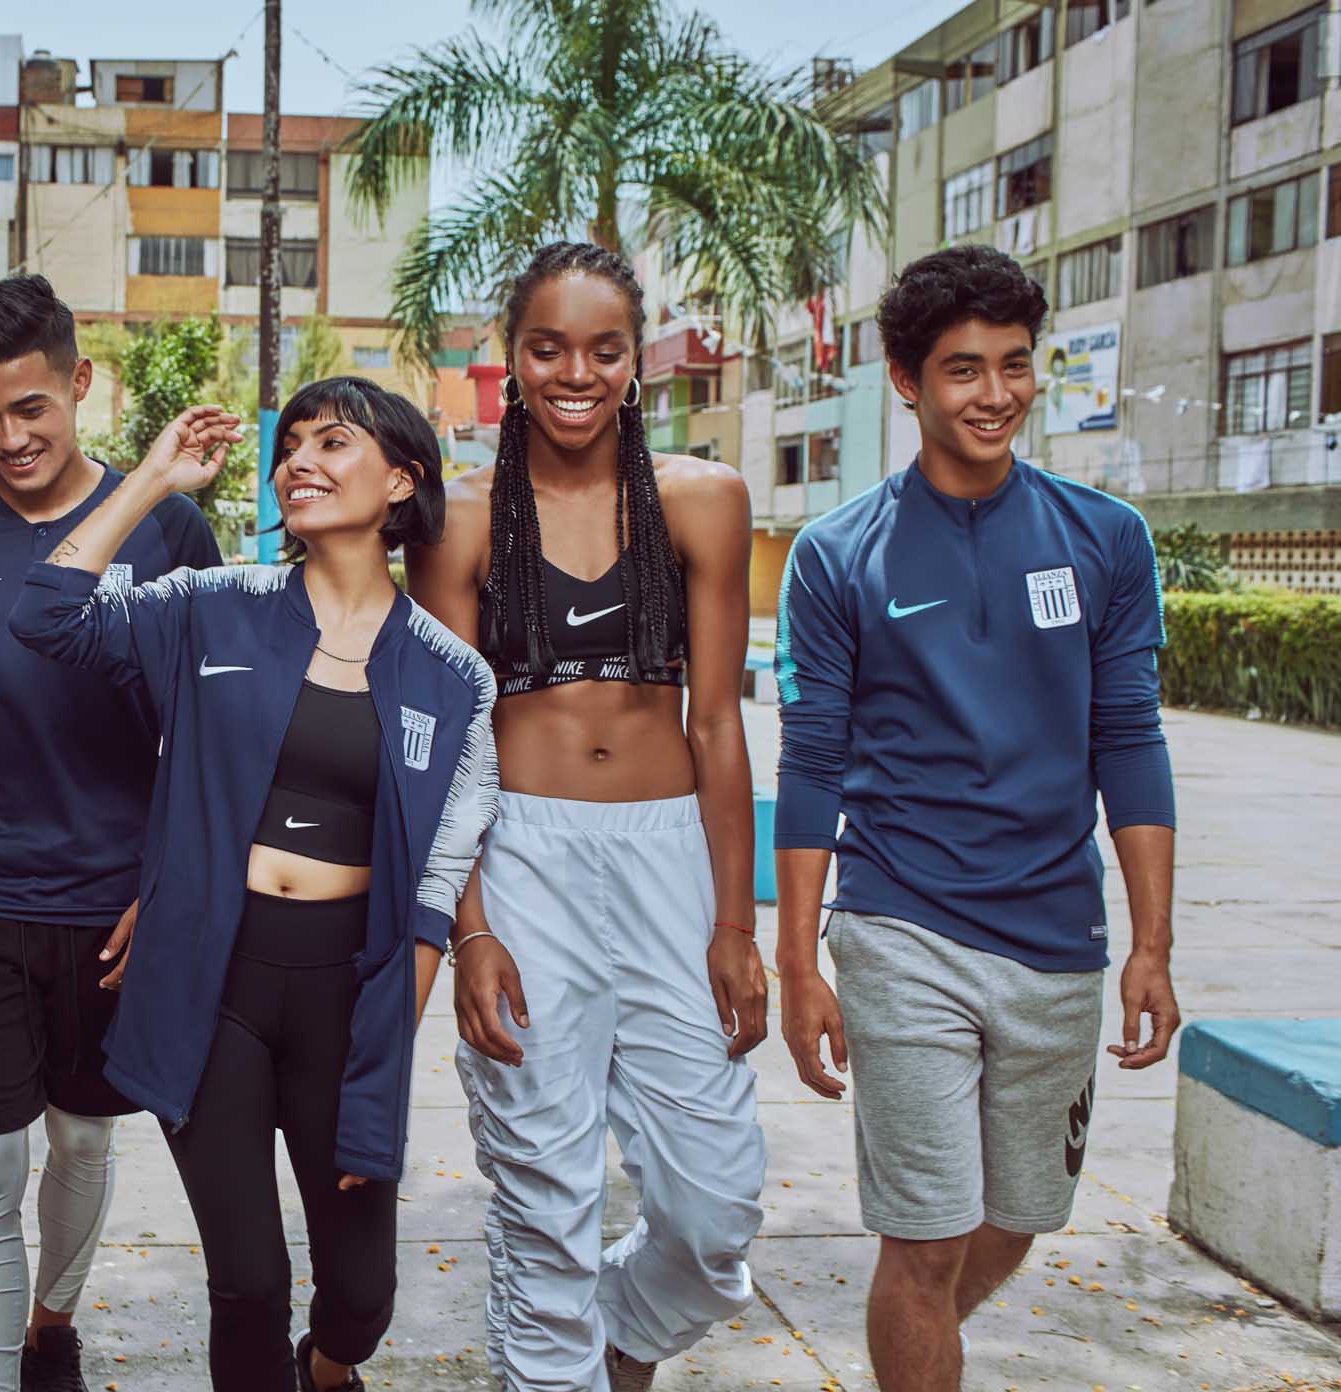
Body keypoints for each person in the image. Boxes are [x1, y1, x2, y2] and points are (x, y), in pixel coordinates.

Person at [7, 377, 499, 1392]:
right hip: (211, 984)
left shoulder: (455, 677)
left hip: (347, 996)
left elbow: (435, 890)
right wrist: (151, 479)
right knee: (248, 1283)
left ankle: (327, 1369)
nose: (300, 463)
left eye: (334, 442)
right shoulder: (211, 605)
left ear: (401, 480)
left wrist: (381, 1064)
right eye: (291, 447)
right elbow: (47, 616)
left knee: (361, 1298)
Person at [774, 245, 1181, 1392]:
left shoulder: (1106, 538)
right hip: (901, 925)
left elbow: (1129, 742)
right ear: (907, 381)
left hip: (1057, 938)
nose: (995, 393)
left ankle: (913, 1346)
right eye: (964, 369)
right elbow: (811, 762)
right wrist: (798, 962)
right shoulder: (836, 556)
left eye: (1014, 364)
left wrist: (1151, 944)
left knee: (1014, 1221)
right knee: (924, 1241)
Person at [407, 241, 768, 1392]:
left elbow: (719, 724)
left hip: (668, 857)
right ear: (511, 357)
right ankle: (552, 1363)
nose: (576, 374)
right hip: (521, 857)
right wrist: (468, 927)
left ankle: (621, 1327)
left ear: (636, 359)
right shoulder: (459, 521)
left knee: (716, 1212)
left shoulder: (703, 502)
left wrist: (735, 924)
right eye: (548, 348)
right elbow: (446, 747)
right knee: (544, 1203)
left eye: (604, 350)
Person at [0, 275, 222, 1392]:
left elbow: (207, 725)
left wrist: (169, 884)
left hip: (111, 904)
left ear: (80, 383)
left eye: (31, 408)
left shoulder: (169, 526)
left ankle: (51, 1323)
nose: (9, 437)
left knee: (83, 1139)